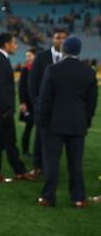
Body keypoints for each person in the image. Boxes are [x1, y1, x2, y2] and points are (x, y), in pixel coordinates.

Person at [36, 37, 97, 208]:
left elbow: (45, 99)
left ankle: (48, 197)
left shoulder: (53, 70)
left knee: (51, 164)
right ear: (78, 51)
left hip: (53, 125)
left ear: (64, 50)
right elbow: (91, 103)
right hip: (77, 124)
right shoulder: (88, 72)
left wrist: (42, 122)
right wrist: (86, 121)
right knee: (75, 164)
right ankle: (78, 198)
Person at [0, 33, 32, 182]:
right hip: (1, 110)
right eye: (14, 43)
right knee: (1, 140)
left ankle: (18, 170)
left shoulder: (0, 59)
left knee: (8, 141)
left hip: (1, 109)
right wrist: (5, 109)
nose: (16, 45)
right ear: (6, 45)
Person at [28, 28, 68, 176]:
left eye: (64, 38)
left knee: (59, 139)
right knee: (40, 138)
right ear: (52, 39)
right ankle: (37, 166)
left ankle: (52, 167)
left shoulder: (69, 58)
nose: (61, 40)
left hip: (62, 109)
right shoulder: (41, 57)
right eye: (58, 37)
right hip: (43, 107)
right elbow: (32, 83)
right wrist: (37, 103)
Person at [19, 47, 38, 156]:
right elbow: (21, 88)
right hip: (27, 105)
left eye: (29, 55)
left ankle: (37, 151)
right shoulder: (25, 69)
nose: (28, 58)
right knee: (28, 127)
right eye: (27, 56)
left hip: (37, 104)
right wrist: (22, 103)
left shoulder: (39, 68)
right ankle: (25, 151)